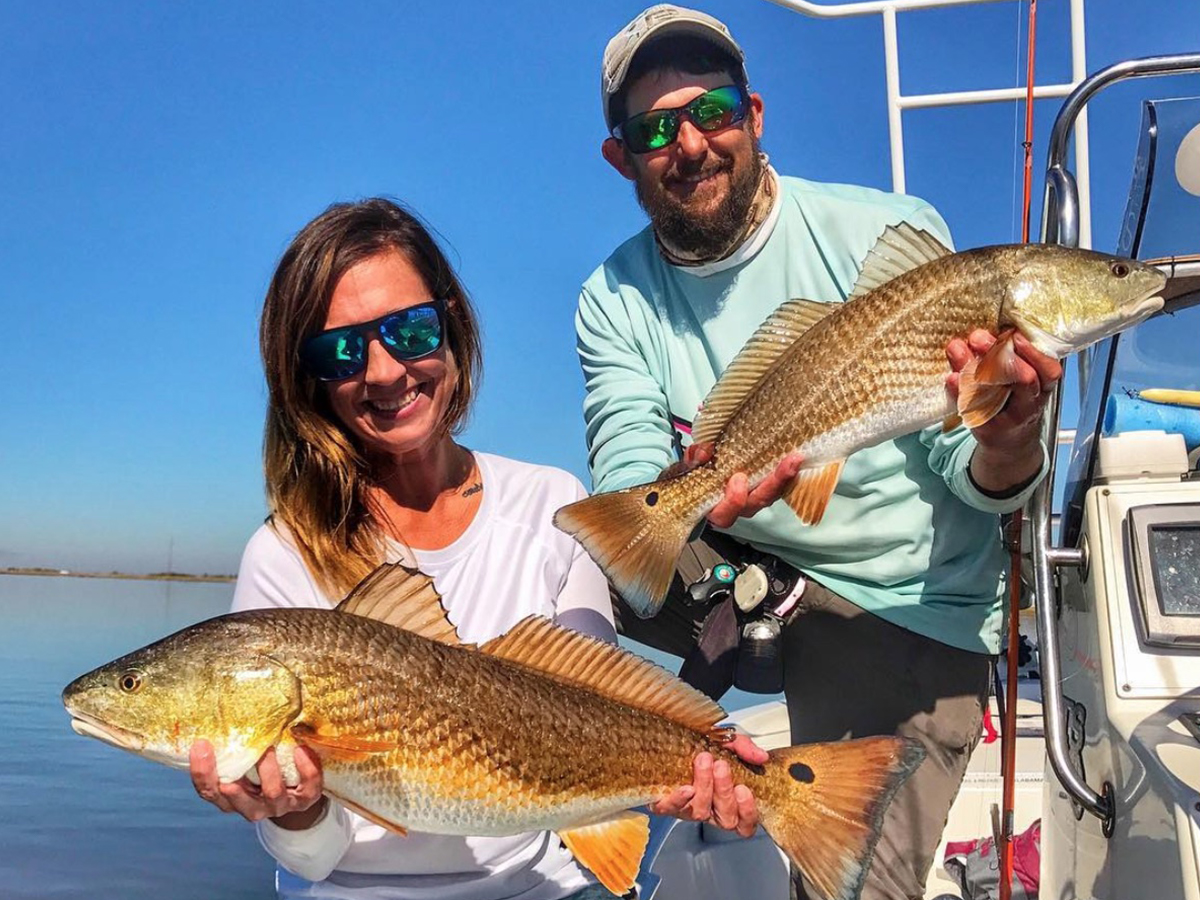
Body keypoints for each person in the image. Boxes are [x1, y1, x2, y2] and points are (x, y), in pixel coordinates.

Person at [576, 6, 1063, 900]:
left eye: (713, 110)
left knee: (846, 886)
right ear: (621, 156)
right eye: (654, 128)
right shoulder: (613, 296)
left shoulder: (887, 237)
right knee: (573, 554)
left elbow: (976, 479)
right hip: (747, 576)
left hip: (905, 605)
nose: (689, 142)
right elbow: (628, 467)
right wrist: (685, 497)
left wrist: (1008, 433)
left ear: (754, 114)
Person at [187, 197, 763, 900]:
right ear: (308, 380)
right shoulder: (283, 555)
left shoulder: (552, 506)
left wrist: (698, 769)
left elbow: (595, 703)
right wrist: (299, 809)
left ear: (452, 324)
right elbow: (311, 862)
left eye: (410, 329)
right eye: (339, 350)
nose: (384, 372)